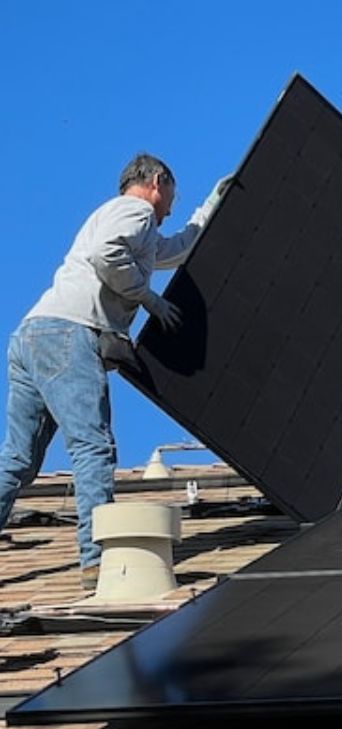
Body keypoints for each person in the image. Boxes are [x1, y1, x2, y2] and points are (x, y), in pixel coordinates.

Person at [0, 153, 229, 590]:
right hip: (70, 333)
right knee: (93, 446)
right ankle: (97, 562)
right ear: (157, 182)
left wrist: (210, 208)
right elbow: (109, 255)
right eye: (171, 201)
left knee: (18, 459)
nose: (169, 212)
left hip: (33, 335)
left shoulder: (130, 223)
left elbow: (175, 250)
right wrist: (149, 299)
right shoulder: (135, 210)